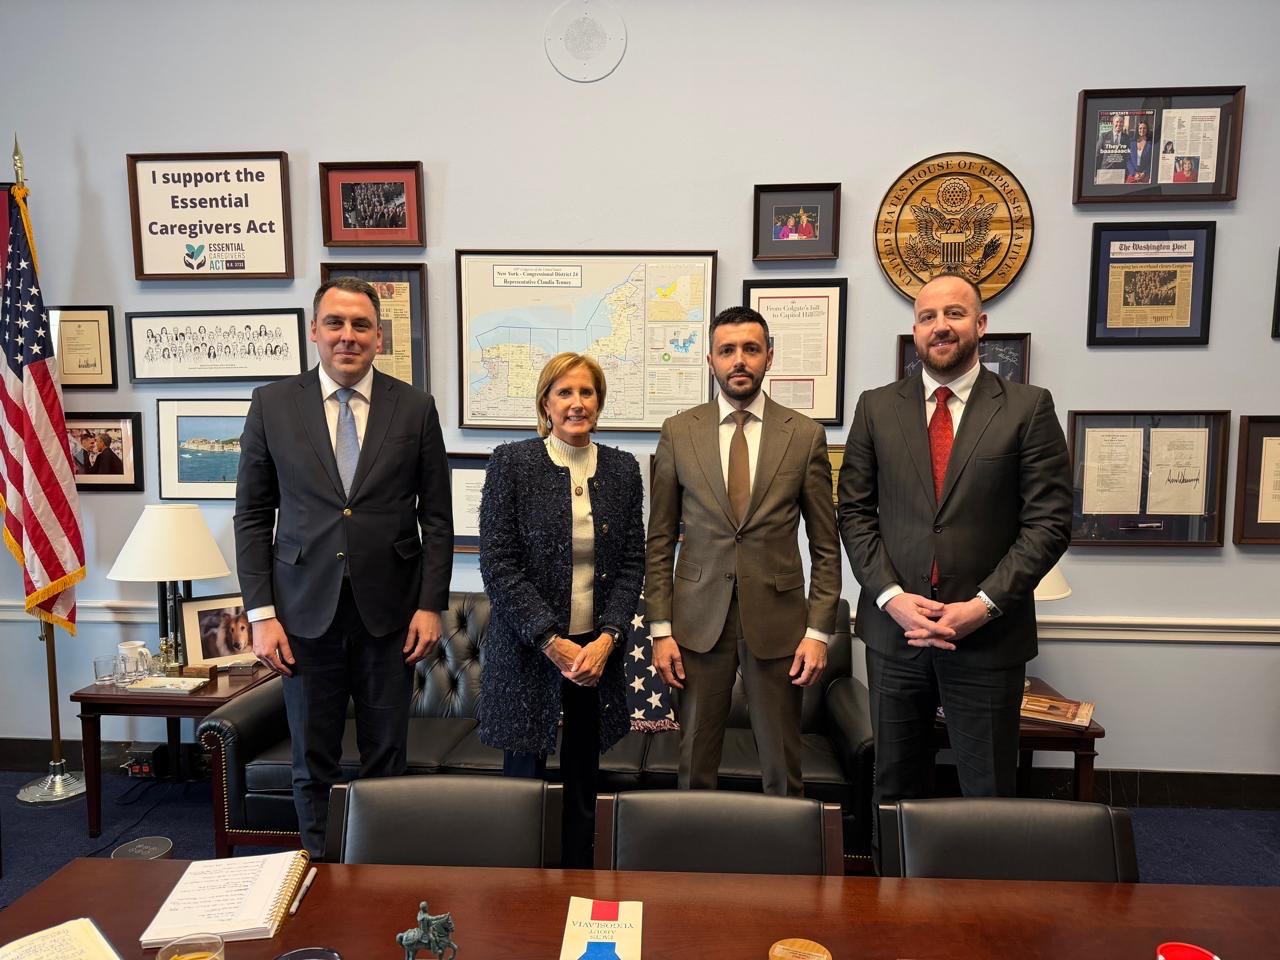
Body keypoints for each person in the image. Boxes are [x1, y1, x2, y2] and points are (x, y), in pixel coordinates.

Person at [837, 274, 1071, 860]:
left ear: (980, 325)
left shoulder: (1027, 408)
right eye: (927, 317)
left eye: (955, 314)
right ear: (915, 330)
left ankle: (985, 909)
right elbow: (855, 514)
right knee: (893, 787)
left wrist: (982, 606)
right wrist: (890, 596)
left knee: (987, 793)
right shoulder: (876, 408)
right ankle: (891, 903)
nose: (940, 326)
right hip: (896, 634)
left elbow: (1048, 524)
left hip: (986, 639)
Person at [233, 276, 453, 857]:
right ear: (314, 331)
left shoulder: (416, 408)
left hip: (392, 615)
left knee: (387, 757)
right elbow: (252, 516)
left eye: (361, 325)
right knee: (312, 759)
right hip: (302, 614)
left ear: (379, 337)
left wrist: (430, 605)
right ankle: (318, 871)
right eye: (335, 323)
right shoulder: (272, 404)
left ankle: (379, 876)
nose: (347, 335)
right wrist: (261, 614)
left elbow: (437, 518)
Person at [647, 306, 841, 797]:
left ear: (769, 357)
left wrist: (819, 633)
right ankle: (699, 846)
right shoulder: (679, 431)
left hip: (779, 625)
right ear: (710, 360)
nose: (739, 360)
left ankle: (789, 850)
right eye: (727, 350)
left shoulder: (804, 435)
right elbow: (660, 539)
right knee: (694, 767)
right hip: (696, 625)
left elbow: (825, 545)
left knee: (783, 770)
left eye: (751, 349)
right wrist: (661, 629)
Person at [477, 352, 644, 868]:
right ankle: (521, 886)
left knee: (583, 780)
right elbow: (499, 564)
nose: (577, 403)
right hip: (530, 650)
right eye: (564, 392)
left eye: (586, 392)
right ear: (545, 403)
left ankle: (578, 877)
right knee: (523, 781)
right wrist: (551, 641)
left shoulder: (623, 469)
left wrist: (608, 638)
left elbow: (632, 562)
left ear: (600, 401)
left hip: (594, 655)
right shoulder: (512, 463)